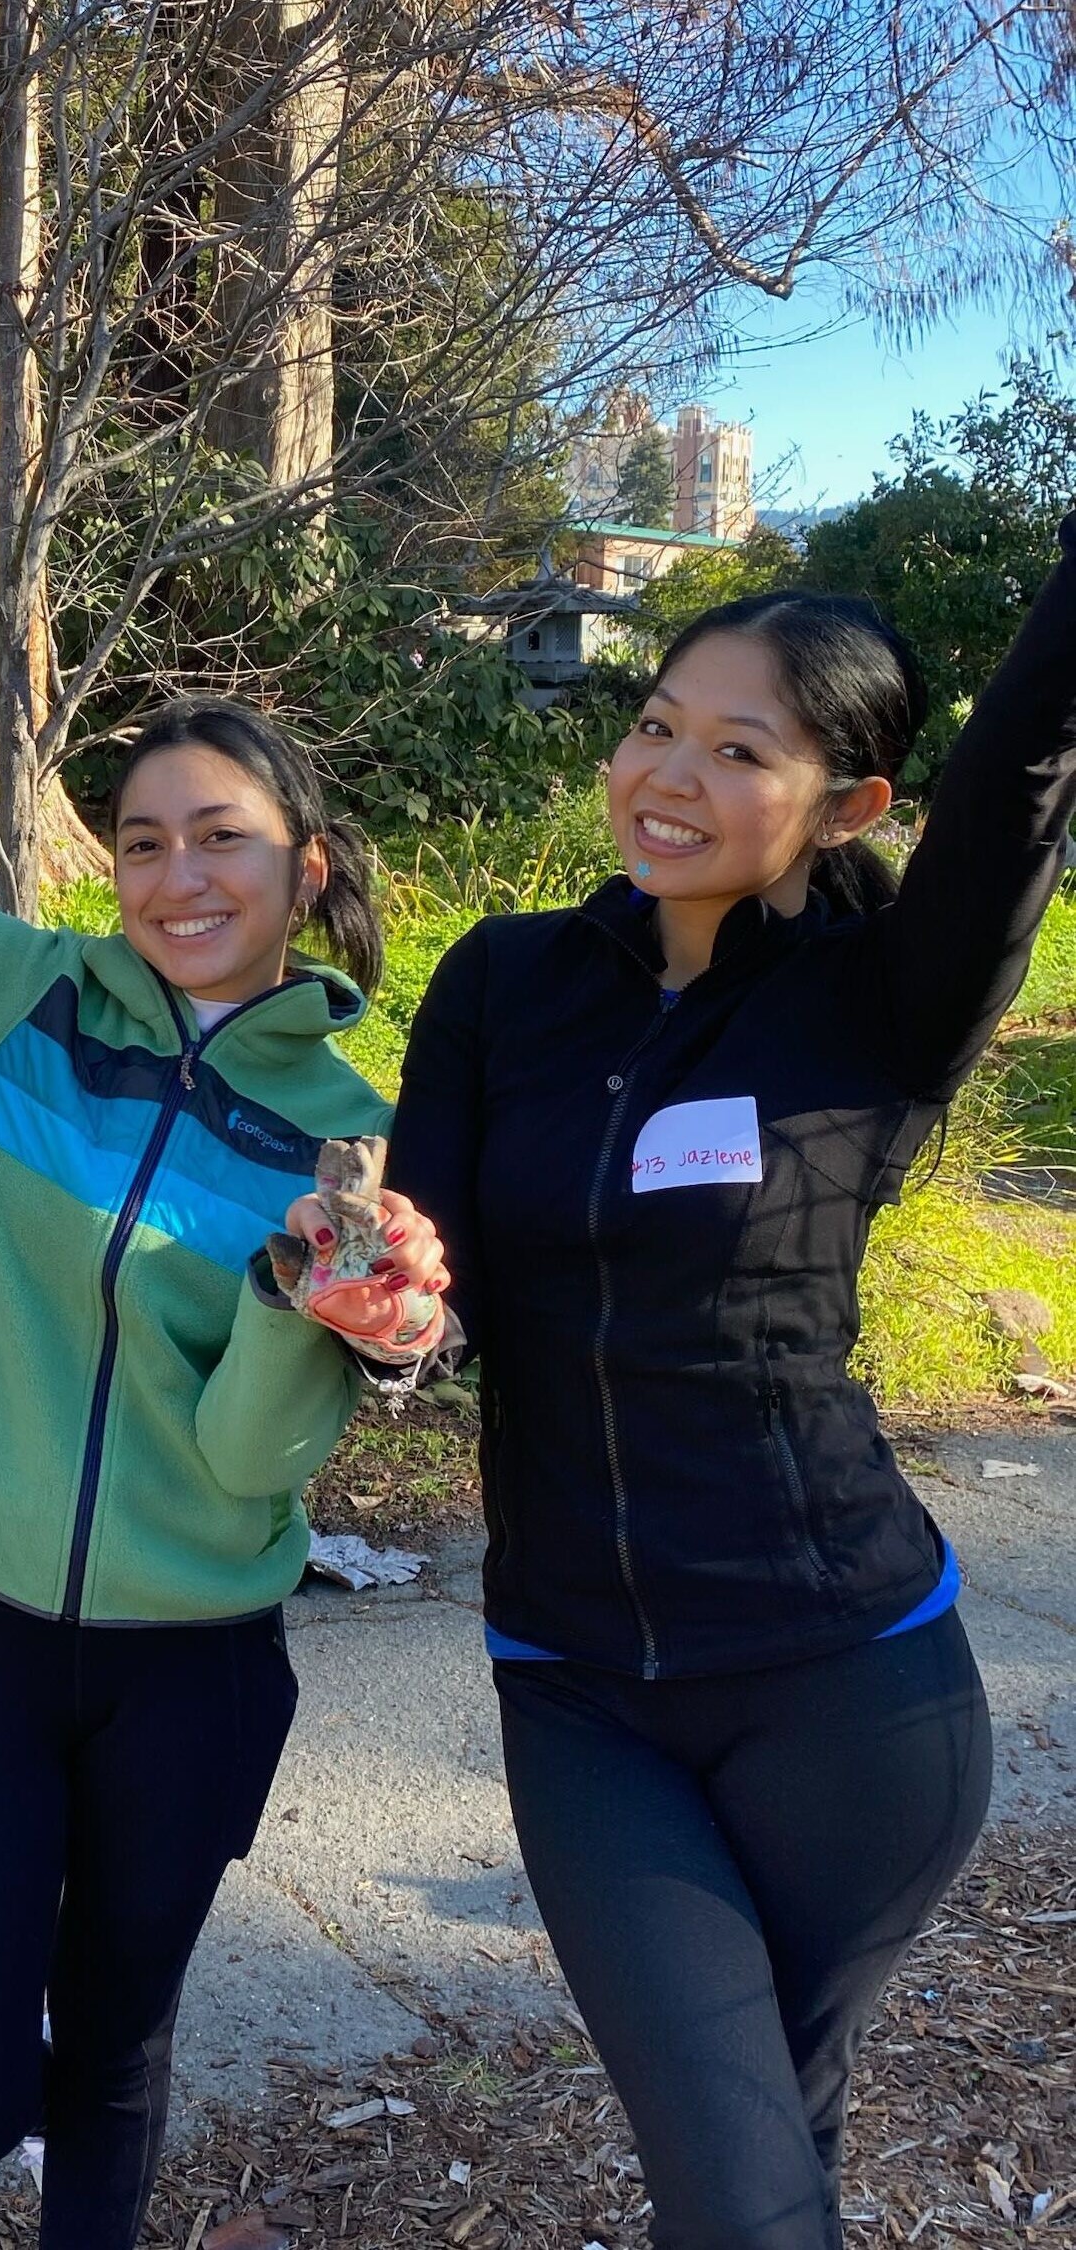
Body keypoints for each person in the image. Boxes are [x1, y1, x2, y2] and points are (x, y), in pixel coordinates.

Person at [0, 398, 452, 2248]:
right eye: (139, 840)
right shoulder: (6, 998)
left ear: (304, 861)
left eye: (220, 837)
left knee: (115, 2042)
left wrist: (328, 1312)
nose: (177, 876)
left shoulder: (341, 1123)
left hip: (191, 1654)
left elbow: (248, 1456)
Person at [385, 513, 1076, 2248]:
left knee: (768, 2153)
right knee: (737, 2171)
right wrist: (380, 1298)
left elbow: (1017, 770)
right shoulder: (500, 982)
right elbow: (427, 1264)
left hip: (846, 1685)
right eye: (653, 722)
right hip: (580, 1685)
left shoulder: (883, 1001)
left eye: (737, 746)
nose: (664, 772)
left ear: (849, 806)